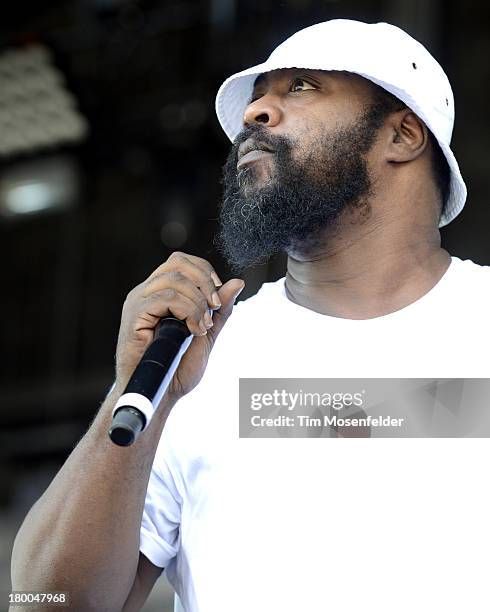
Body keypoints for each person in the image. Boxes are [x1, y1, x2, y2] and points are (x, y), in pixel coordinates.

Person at [10, 19, 490, 612]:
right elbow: (47, 602)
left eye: (302, 87)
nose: (255, 113)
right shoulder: (196, 359)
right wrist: (128, 395)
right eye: (259, 96)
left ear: (404, 135)